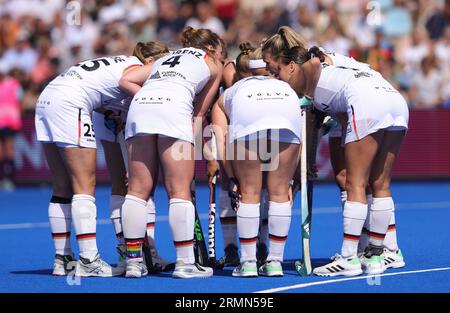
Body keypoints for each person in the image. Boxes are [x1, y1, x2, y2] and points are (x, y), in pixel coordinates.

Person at [276, 46, 409, 277]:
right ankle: (380, 254)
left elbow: (313, 63)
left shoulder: (311, 72)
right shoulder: (345, 65)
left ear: (291, 66)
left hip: (365, 101)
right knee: (380, 183)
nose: (276, 76)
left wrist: (307, 95)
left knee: (355, 183)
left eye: (275, 69)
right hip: (395, 99)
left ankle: (350, 258)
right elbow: (339, 118)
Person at [34, 42, 160, 277]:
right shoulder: (135, 68)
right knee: (85, 185)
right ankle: (89, 259)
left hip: (46, 98)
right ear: (151, 62)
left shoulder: (119, 61)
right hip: (70, 103)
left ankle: (63, 260)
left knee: (62, 184)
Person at [119, 27, 223, 278]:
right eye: (221, 50)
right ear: (209, 49)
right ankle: (185, 262)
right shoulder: (213, 64)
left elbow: (125, 80)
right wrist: (205, 153)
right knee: (179, 190)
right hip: (174, 108)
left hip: (141, 106)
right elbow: (198, 113)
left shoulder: (166, 56)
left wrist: (149, 96)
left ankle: (134, 262)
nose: (223, 56)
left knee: (137, 190)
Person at [211, 43, 301, 277]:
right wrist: (291, 179)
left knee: (249, 192)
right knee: (280, 193)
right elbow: (301, 133)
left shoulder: (233, 91)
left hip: (248, 115)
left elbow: (220, 140)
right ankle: (275, 262)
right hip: (287, 114)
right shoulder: (286, 86)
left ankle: (248, 262)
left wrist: (231, 176)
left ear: (243, 72)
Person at [91, 41, 172, 272]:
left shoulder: (132, 65)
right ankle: (135, 253)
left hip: (113, 116)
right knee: (136, 184)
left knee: (128, 184)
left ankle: (142, 252)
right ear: (149, 61)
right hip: (115, 118)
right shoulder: (138, 69)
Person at [0, 63, 23, 190]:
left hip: (10, 121)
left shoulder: (14, 84)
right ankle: (3, 178)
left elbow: (20, 101)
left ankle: (9, 179)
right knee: (1, 152)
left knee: (9, 150)